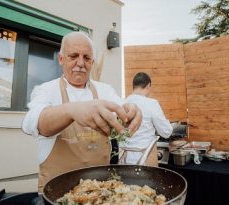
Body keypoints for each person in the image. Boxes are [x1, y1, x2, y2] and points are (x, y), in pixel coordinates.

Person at [22, 32, 142, 192]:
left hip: (101, 191)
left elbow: (122, 107)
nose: (80, 63)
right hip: (57, 193)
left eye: (86, 58)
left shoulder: (105, 90)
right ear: (61, 59)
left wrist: (131, 110)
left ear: (92, 62)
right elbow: (33, 123)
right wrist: (72, 110)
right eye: (73, 56)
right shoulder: (46, 90)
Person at [119, 72, 172, 166]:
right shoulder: (151, 104)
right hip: (143, 160)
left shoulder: (122, 103)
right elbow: (166, 132)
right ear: (148, 86)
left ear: (134, 86)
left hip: (122, 159)